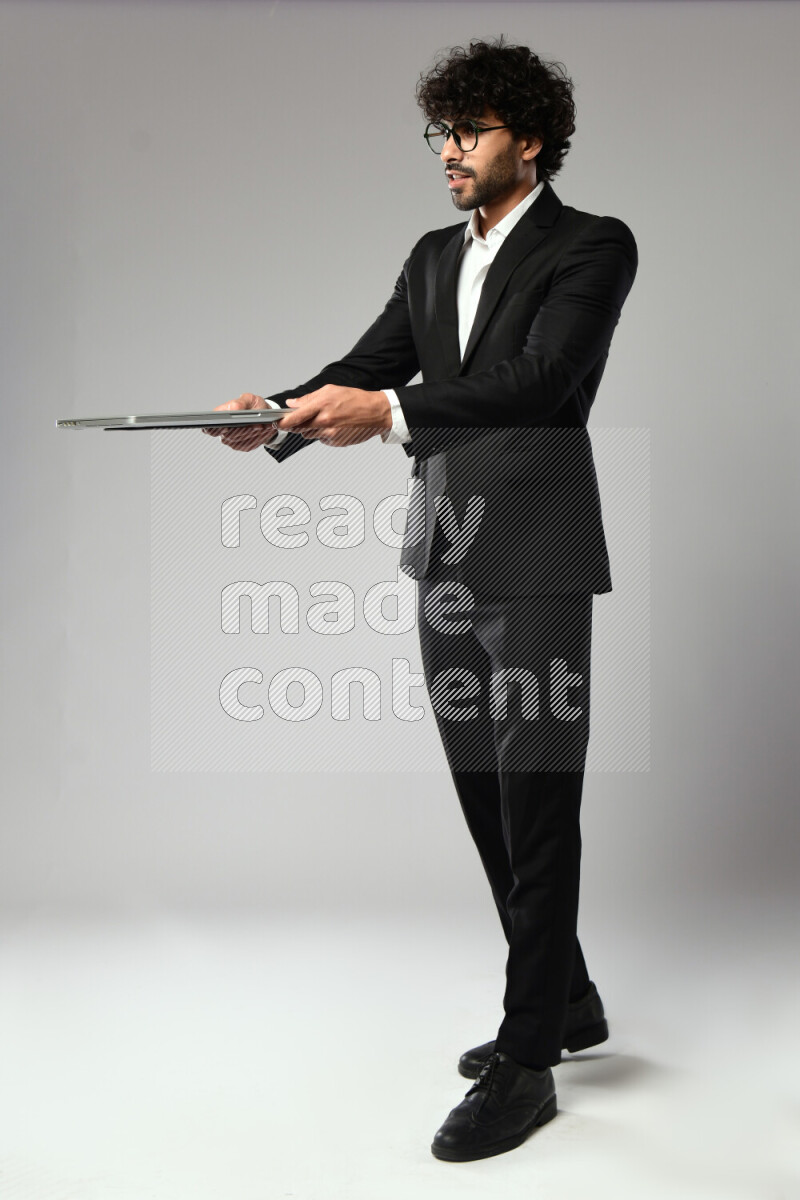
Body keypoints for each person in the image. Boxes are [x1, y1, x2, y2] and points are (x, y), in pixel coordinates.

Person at [204, 37, 638, 1162]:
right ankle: (567, 997)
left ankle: (529, 1056)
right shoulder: (432, 256)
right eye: (439, 132)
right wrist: (278, 414)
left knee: (536, 797)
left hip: (537, 552)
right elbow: (368, 363)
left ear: (529, 141)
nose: (448, 150)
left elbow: (539, 382)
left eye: (469, 131)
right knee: (483, 789)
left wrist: (388, 413)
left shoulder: (591, 245)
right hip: (445, 549)